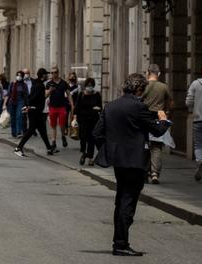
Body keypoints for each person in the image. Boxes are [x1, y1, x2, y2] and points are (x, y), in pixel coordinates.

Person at [92, 73, 171, 256]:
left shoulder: (110, 106)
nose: (142, 95)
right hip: (135, 162)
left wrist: (109, 151)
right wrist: (163, 119)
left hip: (118, 162)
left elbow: (97, 133)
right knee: (128, 201)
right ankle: (121, 244)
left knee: (121, 200)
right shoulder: (139, 107)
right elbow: (157, 131)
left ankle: (118, 241)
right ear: (138, 89)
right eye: (142, 91)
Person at [141, 64, 173, 184]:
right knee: (156, 147)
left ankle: (144, 172)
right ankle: (154, 173)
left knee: (144, 145)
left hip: (145, 118)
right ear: (159, 74)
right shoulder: (164, 87)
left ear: (147, 73)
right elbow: (171, 101)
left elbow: (139, 100)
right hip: (158, 118)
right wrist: (167, 112)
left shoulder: (144, 86)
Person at [14, 69, 54, 156]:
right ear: (43, 75)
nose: (47, 76)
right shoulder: (39, 86)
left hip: (35, 110)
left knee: (42, 130)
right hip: (35, 111)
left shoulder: (36, 83)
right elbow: (35, 97)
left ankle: (49, 148)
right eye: (46, 74)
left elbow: (34, 97)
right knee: (31, 130)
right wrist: (29, 106)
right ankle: (18, 148)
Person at [72, 78, 102, 165]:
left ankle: (90, 158)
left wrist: (98, 108)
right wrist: (74, 117)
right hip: (83, 120)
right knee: (83, 137)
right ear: (85, 86)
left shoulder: (97, 95)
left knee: (91, 139)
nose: (90, 87)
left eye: (91, 86)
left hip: (93, 119)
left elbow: (100, 107)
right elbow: (76, 107)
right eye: (88, 86)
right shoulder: (81, 94)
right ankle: (83, 153)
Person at [185, 64, 202, 182]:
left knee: (199, 145)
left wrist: (195, 107)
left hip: (199, 119)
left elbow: (188, 102)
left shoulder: (196, 84)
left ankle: (199, 161)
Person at [46, 66, 74, 149]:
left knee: (62, 125)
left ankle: (63, 136)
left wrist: (72, 104)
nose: (53, 74)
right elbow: (45, 95)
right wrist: (50, 90)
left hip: (62, 107)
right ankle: (53, 142)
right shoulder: (49, 83)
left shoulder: (63, 83)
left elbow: (68, 94)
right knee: (53, 125)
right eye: (52, 73)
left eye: (55, 72)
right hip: (52, 107)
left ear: (58, 73)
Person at [6, 71, 28, 138]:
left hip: (20, 101)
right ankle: (14, 132)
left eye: (20, 75)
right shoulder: (12, 83)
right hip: (12, 101)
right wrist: (4, 104)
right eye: (17, 75)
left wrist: (27, 105)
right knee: (13, 117)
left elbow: (26, 95)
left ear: (22, 77)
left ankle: (19, 132)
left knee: (19, 116)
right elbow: (8, 94)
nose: (18, 77)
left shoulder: (24, 85)